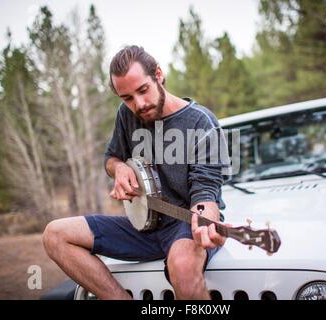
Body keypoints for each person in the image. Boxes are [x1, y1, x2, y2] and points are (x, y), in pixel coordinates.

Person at [43, 45, 230, 300]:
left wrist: (205, 222)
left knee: (184, 268)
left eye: (143, 90)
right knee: (55, 235)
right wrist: (119, 168)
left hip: (184, 226)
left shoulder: (201, 123)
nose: (138, 104)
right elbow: (111, 157)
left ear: (159, 74)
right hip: (142, 227)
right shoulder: (127, 115)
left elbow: (205, 194)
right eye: (127, 98)